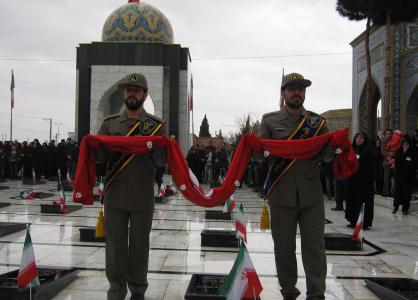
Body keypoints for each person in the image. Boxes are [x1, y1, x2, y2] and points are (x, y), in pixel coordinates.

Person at [258, 73, 333, 300]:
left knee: (315, 249)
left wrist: (335, 146)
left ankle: (316, 294)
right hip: (281, 195)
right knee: (284, 249)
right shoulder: (269, 121)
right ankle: (289, 293)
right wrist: (255, 148)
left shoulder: (317, 123)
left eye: (300, 88)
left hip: (311, 195)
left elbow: (327, 157)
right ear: (283, 93)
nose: (296, 92)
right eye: (291, 88)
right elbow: (259, 157)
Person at [97, 73, 166, 300]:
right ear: (124, 93)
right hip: (115, 195)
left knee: (139, 246)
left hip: (141, 195)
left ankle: (138, 290)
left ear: (145, 95)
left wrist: (164, 147)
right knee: (115, 245)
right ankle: (116, 290)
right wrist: (92, 146)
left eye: (136, 90)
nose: (132, 94)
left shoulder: (155, 126)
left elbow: (161, 162)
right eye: (128, 90)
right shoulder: (109, 124)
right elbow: (99, 158)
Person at [345, 132, 374, 229]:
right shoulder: (352, 149)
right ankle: (353, 221)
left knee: (363, 201)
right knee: (353, 200)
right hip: (353, 180)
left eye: (361, 138)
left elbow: (371, 166)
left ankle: (363, 222)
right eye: (357, 138)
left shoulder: (369, 150)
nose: (359, 139)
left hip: (364, 181)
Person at [393, 137, 417, 215]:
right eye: (404, 144)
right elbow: (397, 162)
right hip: (399, 176)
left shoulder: (412, 152)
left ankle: (405, 209)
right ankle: (395, 207)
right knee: (397, 192)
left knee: (406, 193)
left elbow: (412, 164)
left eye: (407, 144)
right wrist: (404, 156)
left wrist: (406, 156)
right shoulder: (399, 152)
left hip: (408, 177)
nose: (405, 146)